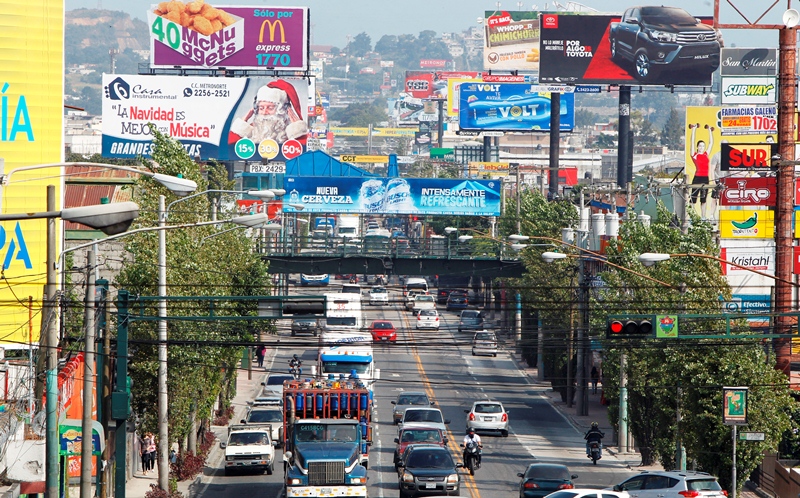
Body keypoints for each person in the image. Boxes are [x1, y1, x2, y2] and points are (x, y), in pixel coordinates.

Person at [229, 79, 308, 147]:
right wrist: (240, 129)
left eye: (270, 108)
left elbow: (302, 155)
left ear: (283, 110)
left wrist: (298, 133)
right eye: (261, 108)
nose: (264, 112)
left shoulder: (290, 133)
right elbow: (228, 149)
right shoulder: (252, 130)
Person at [688, 123, 715, 219]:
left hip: (705, 178)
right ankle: (692, 217)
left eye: (703, 146)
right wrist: (694, 129)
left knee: (703, 200)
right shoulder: (694, 155)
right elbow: (692, 142)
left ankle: (703, 217)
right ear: (697, 147)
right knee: (693, 199)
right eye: (700, 146)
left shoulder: (706, 154)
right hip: (697, 178)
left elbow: (711, 143)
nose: (702, 148)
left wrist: (709, 131)